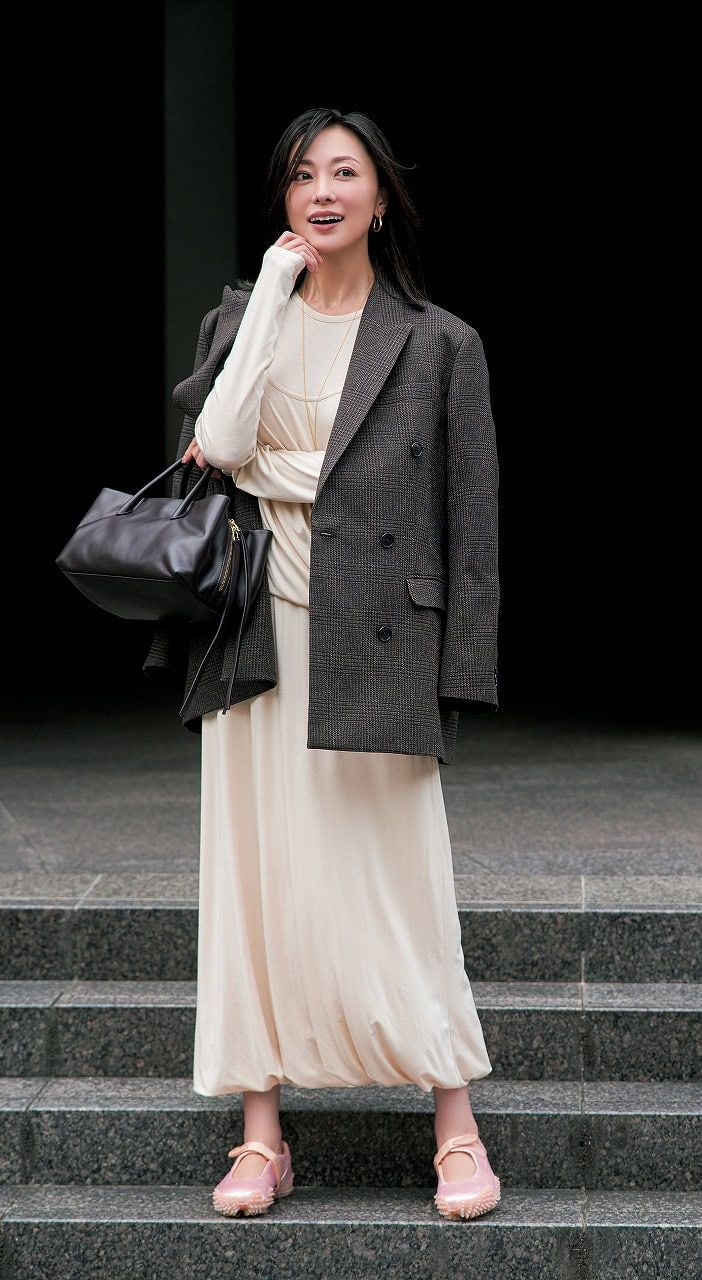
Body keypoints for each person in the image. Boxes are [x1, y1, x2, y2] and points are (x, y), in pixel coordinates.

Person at [166, 107, 501, 1221]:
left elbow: (471, 519)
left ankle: (456, 1126)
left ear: (381, 198)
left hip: (380, 637)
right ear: (284, 200)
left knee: (402, 879)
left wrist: (463, 670)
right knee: (253, 884)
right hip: (257, 635)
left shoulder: (440, 342)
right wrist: (269, 290)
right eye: (303, 175)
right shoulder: (241, 318)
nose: (323, 191)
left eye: (345, 173)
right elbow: (218, 444)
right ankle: (261, 1135)